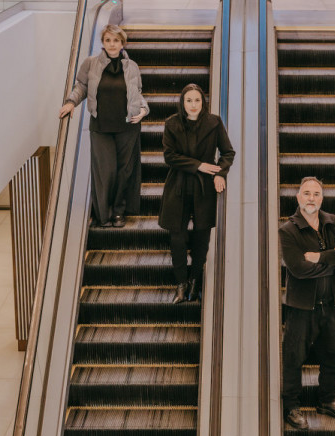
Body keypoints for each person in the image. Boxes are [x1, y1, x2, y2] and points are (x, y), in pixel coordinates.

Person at [279, 177, 335, 430]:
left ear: (321, 198)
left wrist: (320, 257)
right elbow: (299, 270)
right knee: (294, 358)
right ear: (298, 197)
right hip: (301, 307)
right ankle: (292, 406)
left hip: (331, 305)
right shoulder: (288, 231)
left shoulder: (333, 222)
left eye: (316, 193)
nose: (311, 198)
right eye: (306, 193)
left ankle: (327, 400)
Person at [59, 24, 148, 228]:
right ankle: (103, 214)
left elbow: (139, 93)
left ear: (122, 43)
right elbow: (81, 85)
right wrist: (71, 102)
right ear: (103, 42)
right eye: (108, 40)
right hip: (101, 126)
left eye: (116, 40)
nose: (112, 44)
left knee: (124, 171)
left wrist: (144, 110)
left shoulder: (132, 66)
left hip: (128, 126)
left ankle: (118, 212)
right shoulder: (91, 64)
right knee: (105, 171)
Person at [160, 83, 235, 304]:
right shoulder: (171, 124)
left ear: (203, 102)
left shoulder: (213, 122)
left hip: (205, 187)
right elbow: (169, 156)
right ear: (183, 103)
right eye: (189, 101)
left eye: (197, 100)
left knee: (202, 236)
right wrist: (199, 165)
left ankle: (195, 282)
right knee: (177, 237)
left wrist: (220, 173)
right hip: (178, 185)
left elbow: (228, 151)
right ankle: (181, 285)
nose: (193, 105)